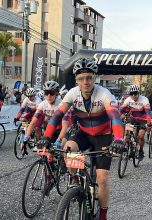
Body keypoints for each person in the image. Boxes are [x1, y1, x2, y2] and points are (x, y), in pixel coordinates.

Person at [37, 58, 124, 220]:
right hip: (84, 134)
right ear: (76, 80)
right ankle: (76, 178)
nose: (86, 82)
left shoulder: (104, 94)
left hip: (103, 136)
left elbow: (115, 117)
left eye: (89, 78)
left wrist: (118, 138)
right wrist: (46, 137)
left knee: (102, 177)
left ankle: (103, 214)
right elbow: (57, 115)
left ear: (94, 78)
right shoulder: (72, 93)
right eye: (81, 78)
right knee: (68, 147)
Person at [22, 81, 61, 154]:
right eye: (46, 93)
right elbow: (33, 122)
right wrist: (26, 137)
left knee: (63, 154)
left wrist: (59, 140)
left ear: (56, 94)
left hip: (62, 130)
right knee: (43, 153)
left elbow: (67, 125)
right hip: (50, 129)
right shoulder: (43, 104)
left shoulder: (61, 104)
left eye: (51, 93)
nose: (49, 96)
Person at [119, 84, 151, 160]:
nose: (133, 95)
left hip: (143, 119)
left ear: (138, 93)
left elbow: (148, 112)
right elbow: (121, 110)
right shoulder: (128, 99)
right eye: (131, 94)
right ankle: (128, 146)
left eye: (135, 93)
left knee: (140, 136)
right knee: (127, 131)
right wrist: (115, 118)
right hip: (133, 118)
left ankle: (141, 150)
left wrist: (149, 121)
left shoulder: (144, 99)